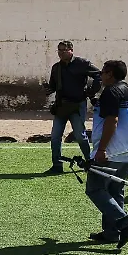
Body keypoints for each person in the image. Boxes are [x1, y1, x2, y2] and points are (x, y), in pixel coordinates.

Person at [85, 60, 128, 249]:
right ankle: (112, 233)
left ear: (110, 74)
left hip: (111, 152)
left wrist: (102, 149)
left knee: (95, 189)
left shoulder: (110, 91)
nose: (100, 76)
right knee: (115, 191)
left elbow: (113, 120)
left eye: (102, 72)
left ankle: (125, 221)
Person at [43, 41, 101, 173]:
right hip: (61, 105)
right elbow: (53, 86)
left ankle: (90, 162)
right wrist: (48, 89)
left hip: (77, 105)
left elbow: (98, 74)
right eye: (59, 50)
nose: (61, 53)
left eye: (64, 50)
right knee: (55, 136)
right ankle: (57, 165)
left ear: (71, 50)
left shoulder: (82, 64)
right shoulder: (56, 68)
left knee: (80, 135)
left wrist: (92, 91)